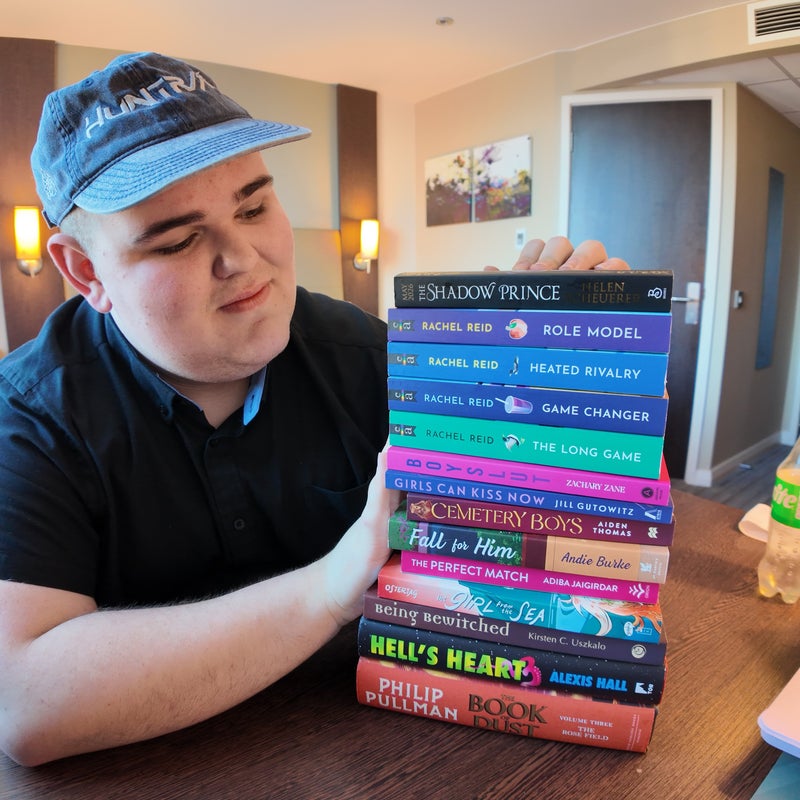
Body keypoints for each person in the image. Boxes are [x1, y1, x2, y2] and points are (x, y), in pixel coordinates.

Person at [0, 51, 627, 766]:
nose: (244, 258)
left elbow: (537, 549)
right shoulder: (29, 415)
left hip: (386, 756)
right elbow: (23, 704)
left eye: (254, 207)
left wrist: (548, 389)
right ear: (85, 271)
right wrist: (332, 587)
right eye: (178, 240)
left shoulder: (369, 354)